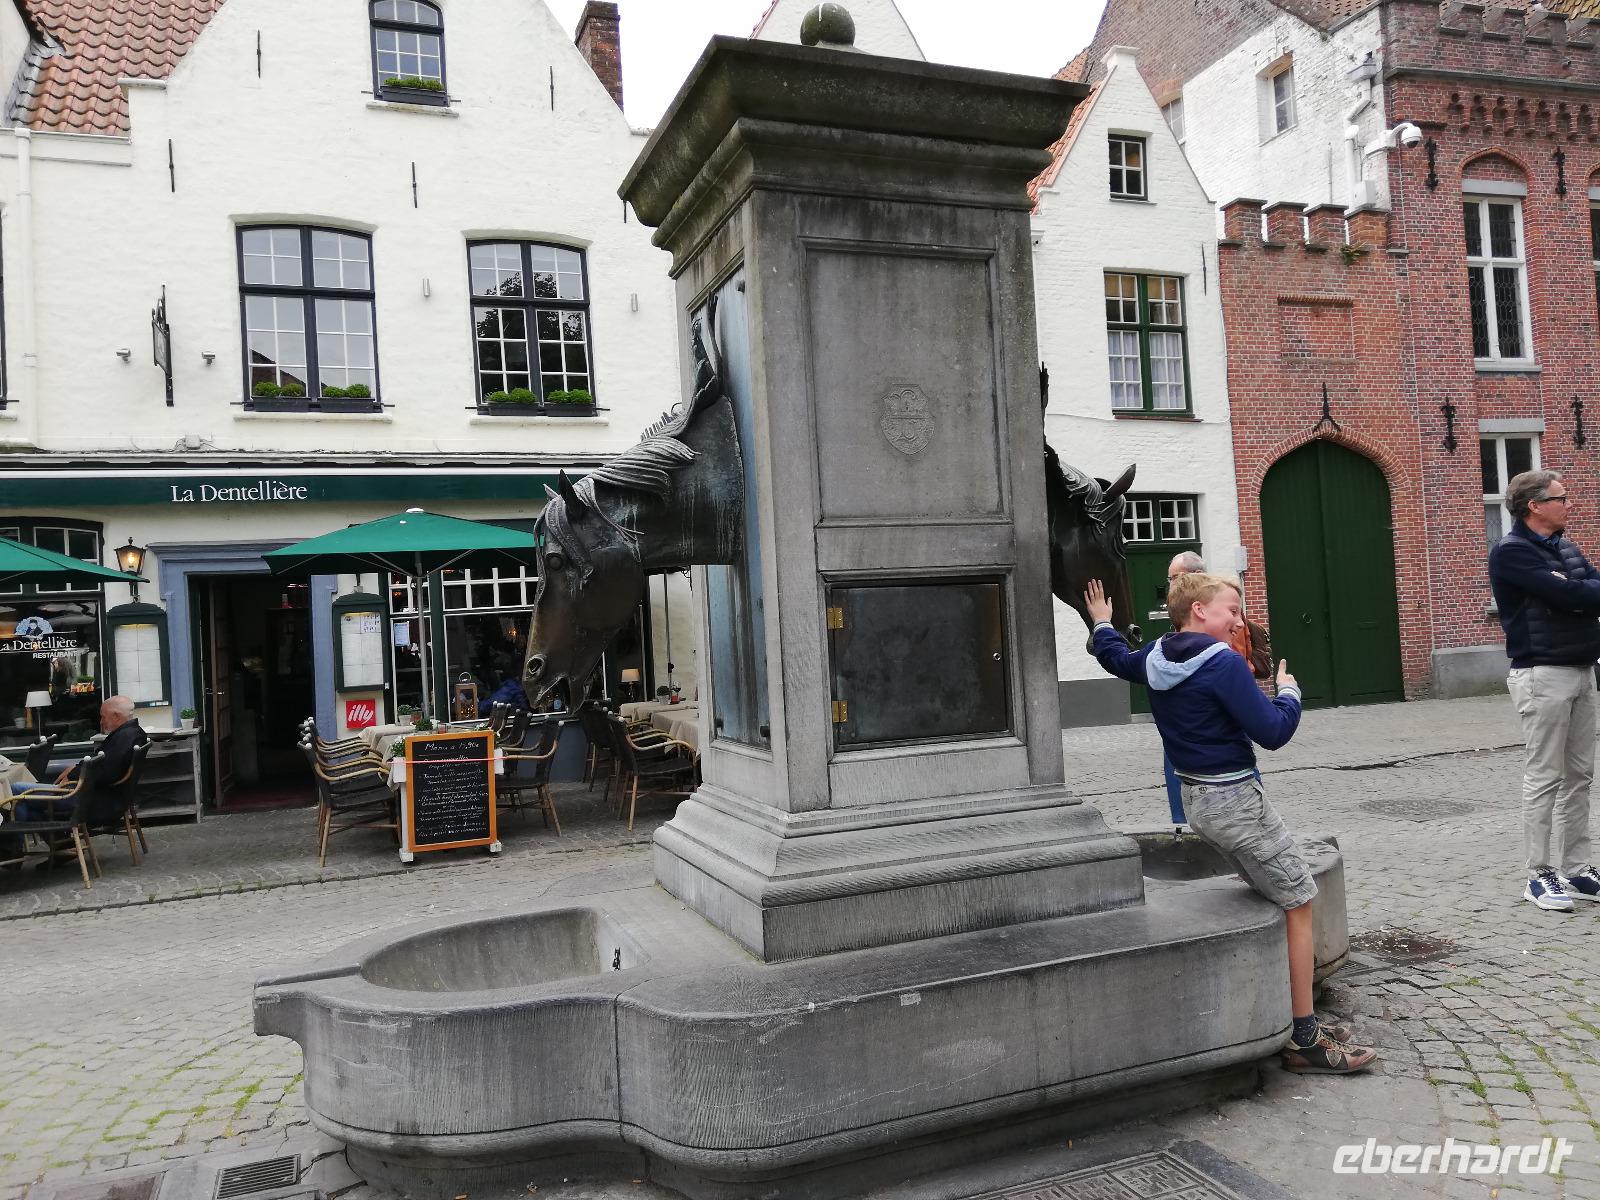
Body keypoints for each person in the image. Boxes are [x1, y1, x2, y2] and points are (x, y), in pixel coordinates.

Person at [1086, 572, 1377, 1075]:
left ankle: (1281, 1012)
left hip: (1197, 802)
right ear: (1199, 610)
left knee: (1273, 892)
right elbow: (1273, 731)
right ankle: (1304, 1038)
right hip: (1238, 804)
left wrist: (1102, 624)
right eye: (1232, 610)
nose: (1240, 621)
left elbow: (1115, 658)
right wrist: (1289, 692)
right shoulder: (1221, 662)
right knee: (1299, 898)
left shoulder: (1156, 655)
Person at [1487, 469, 1600, 911]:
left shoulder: (1565, 547)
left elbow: (1588, 589)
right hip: (1542, 673)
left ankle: (1577, 869)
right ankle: (1538, 875)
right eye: (1561, 498)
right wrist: (1575, 591)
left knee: (1580, 776)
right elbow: (1571, 597)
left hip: (1582, 670)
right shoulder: (1511, 552)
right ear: (1534, 505)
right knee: (1545, 776)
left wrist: (1575, 589)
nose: (1569, 504)